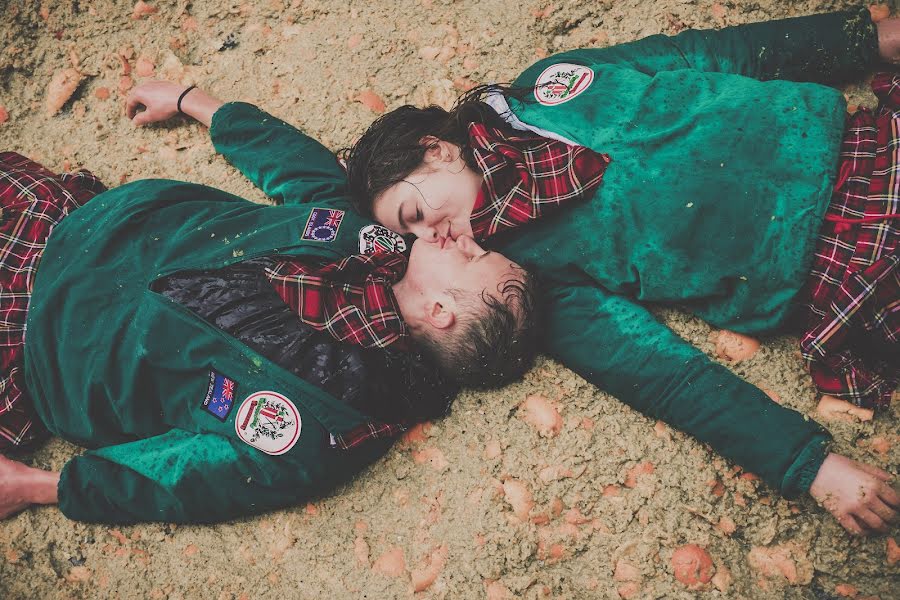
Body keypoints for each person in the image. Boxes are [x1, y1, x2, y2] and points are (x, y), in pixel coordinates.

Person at [343, 8, 900, 536]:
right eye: (412, 236)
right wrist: (809, 464)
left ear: (435, 150)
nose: (429, 237)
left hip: (867, 143)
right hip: (844, 260)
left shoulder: (545, 86)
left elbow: (706, 53)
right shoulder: (523, 268)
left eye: (414, 214)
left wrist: (867, 40)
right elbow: (659, 373)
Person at [0, 83, 539, 524]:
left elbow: (188, 479)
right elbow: (297, 165)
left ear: (439, 312)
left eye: (473, 258)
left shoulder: (334, 421)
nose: (466, 238)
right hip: (77, 222)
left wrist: (40, 487)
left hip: (34, 343)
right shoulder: (374, 236)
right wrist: (192, 101)